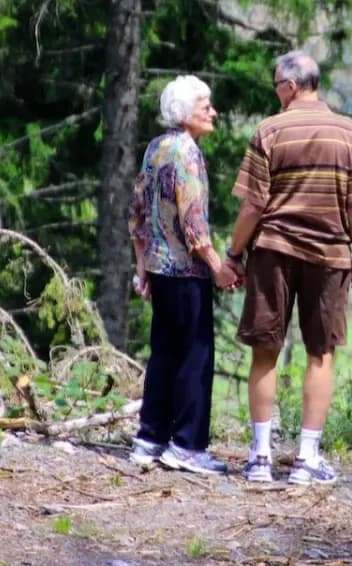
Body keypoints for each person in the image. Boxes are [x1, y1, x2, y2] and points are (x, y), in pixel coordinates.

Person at [224, 51, 352, 485]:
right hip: (329, 256)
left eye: (277, 86)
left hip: (273, 251)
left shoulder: (269, 130)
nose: (276, 93)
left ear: (290, 86)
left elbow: (254, 205)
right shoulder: (348, 132)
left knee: (265, 351)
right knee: (320, 354)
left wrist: (234, 255)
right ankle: (307, 459)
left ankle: (260, 457)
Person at [126, 75, 240, 475]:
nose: (213, 112)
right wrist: (219, 268)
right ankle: (187, 446)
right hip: (187, 272)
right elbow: (194, 226)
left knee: (163, 354)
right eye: (205, 106)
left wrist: (142, 269)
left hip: (159, 270)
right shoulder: (188, 154)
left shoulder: (156, 148)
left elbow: (136, 214)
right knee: (195, 356)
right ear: (185, 111)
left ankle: (150, 438)